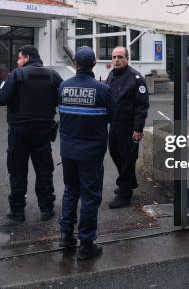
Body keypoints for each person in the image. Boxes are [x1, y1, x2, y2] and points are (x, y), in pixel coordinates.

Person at [0, 45, 62, 222]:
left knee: (17, 171)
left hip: (19, 132)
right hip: (43, 132)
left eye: (19, 58)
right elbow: (63, 98)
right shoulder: (52, 75)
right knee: (44, 170)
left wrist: (3, 82)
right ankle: (46, 209)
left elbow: (0, 97)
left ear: (27, 58)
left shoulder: (17, 75)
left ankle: (17, 211)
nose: (18, 61)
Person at [58, 46, 115, 261]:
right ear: (93, 64)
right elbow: (113, 116)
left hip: (68, 151)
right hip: (91, 153)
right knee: (90, 197)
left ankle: (65, 236)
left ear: (76, 64)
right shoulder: (102, 89)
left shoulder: (63, 87)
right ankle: (87, 244)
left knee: (71, 191)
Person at [106, 46, 149, 209]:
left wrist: (138, 129)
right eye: (114, 57)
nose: (116, 60)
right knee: (115, 153)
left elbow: (142, 106)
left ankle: (125, 194)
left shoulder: (135, 78)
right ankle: (128, 182)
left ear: (127, 58)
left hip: (129, 126)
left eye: (120, 57)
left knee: (127, 159)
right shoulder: (111, 74)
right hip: (114, 125)